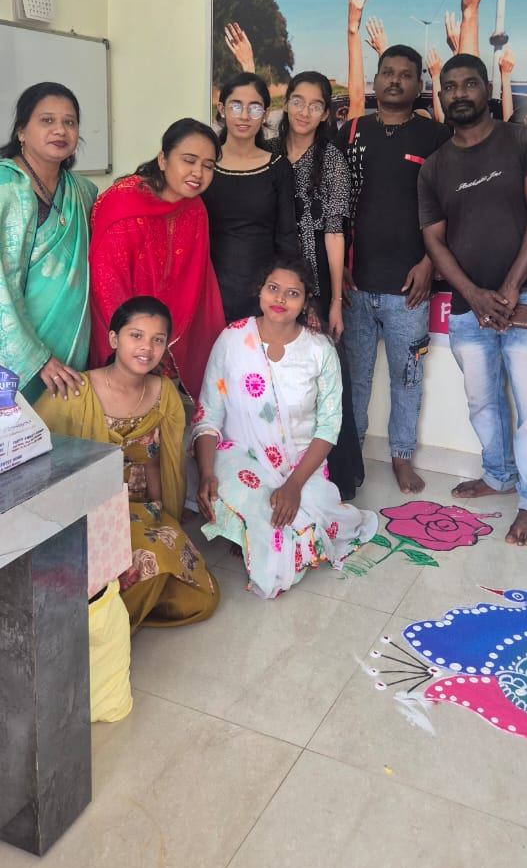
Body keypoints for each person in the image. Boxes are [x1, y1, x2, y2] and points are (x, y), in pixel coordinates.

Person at [418, 54, 527, 547]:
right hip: (468, 309)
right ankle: (499, 475)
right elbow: (435, 240)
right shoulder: (434, 167)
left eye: (469, 83)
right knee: (483, 404)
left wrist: (511, 287)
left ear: (488, 89)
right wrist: (474, 295)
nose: (459, 93)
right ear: (441, 95)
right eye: (449, 86)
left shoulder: (524, 141)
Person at [192, 258, 378, 599]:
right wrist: (205, 472)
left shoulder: (319, 350)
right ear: (260, 292)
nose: (280, 298)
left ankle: (253, 529)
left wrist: (293, 485)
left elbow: (329, 426)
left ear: (305, 302)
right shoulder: (232, 339)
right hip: (242, 457)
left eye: (292, 293)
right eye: (273, 288)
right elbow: (209, 413)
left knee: (306, 521)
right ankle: (248, 526)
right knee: (247, 504)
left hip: (301, 463)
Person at [36, 296, 219, 632]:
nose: (147, 347)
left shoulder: (164, 393)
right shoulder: (76, 391)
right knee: (148, 559)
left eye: (158, 339)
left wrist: (165, 517)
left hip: (140, 509)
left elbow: (159, 465)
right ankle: (94, 636)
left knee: (200, 596)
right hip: (87, 512)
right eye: (136, 335)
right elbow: (35, 450)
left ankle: (108, 623)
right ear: (113, 339)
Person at [335, 46, 450, 494]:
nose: (395, 80)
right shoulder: (351, 132)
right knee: (355, 381)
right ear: (376, 79)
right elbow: (335, 207)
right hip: (355, 286)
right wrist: (339, 267)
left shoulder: (435, 136)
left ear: (419, 85)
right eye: (388, 72)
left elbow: (451, 207)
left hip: (410, 289)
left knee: (408, 378)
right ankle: (351, 459)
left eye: (405, 74)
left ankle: (402, 457)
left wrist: (429, 264)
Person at [272, 71, 364, 499]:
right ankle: (279, 468)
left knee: (326, 377)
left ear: (326, 112)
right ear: (285, 103)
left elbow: (334, 232)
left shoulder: (331, 159)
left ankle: (338, 477)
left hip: (314, 282)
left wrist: (333, 302)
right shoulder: (269, 152)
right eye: (297, 101)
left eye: (314, 105)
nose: (304, 111)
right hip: (272, 284)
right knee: (279, 376)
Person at [89, 118, 224, 403]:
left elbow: (194, 282)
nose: (198, 173)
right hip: (122, 339)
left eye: (208, 166)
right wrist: (141, 341)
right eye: (189, 160)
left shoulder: (195, 209)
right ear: (163, 159)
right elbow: (107, 285)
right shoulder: (121, 203)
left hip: (168, 342)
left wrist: (162, 342)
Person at [0, 82, 97, 402]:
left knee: (62, 424)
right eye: (47, 120)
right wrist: (34, 356)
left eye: (70, 122)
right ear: (21, 132)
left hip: (70, 349)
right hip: (14, 352)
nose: (60, 130)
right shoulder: (4, 186)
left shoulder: (84, 192)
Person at [202, 72, 299, 322]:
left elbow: (287, 238)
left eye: (254, 108)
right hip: (207, 289)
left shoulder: (278, 167)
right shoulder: (204, 165)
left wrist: (284, 292)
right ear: (222, 109)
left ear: (266, 114)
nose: (244, 116)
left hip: (261, 294)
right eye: (236, 106)